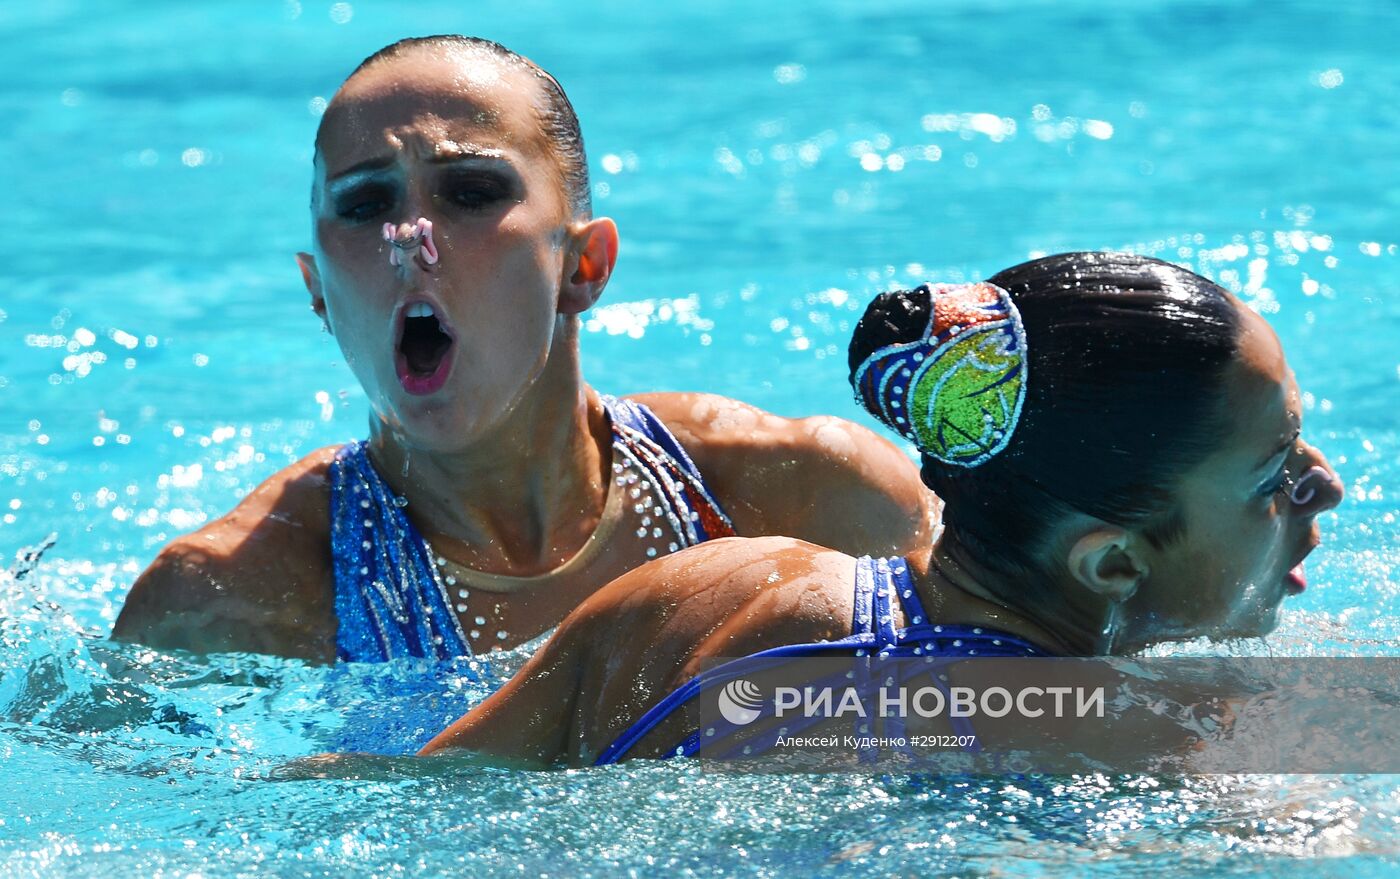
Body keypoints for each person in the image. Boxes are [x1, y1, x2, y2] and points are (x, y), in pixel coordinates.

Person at [112, 36, 932, 663]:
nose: (411, 241)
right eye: (364, 205)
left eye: (471, 191)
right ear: (318, 291)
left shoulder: (810, 497)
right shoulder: (229, 601)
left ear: (583, 265)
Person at [421, 252, 1345, 766]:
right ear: (1109, 563)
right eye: (1275, 476)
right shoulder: (1132, 743)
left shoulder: (713, 578)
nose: (1325, 483)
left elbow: (420, 792)